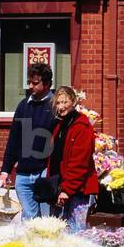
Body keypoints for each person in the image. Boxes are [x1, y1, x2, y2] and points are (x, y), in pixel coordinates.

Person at [0, 64, 55, 220]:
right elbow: (13, 140)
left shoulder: (55, 107)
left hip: (44, 173)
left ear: (47, 83)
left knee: (47, 221)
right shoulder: (23, 106)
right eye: (29, 82)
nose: (31, 86)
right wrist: (5, 171)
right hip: (23, 175)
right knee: (29, 221)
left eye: (35, 83)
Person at [47, 85, 99, 231]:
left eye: (65, 102)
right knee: (57, 233)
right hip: (59, 187)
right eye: (58, 103)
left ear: (74, 102)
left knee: (76, 235)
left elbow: (79, 163)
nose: (61, 107)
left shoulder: (81, 126)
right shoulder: (60, 125)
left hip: (77, 191)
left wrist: (67, 190)